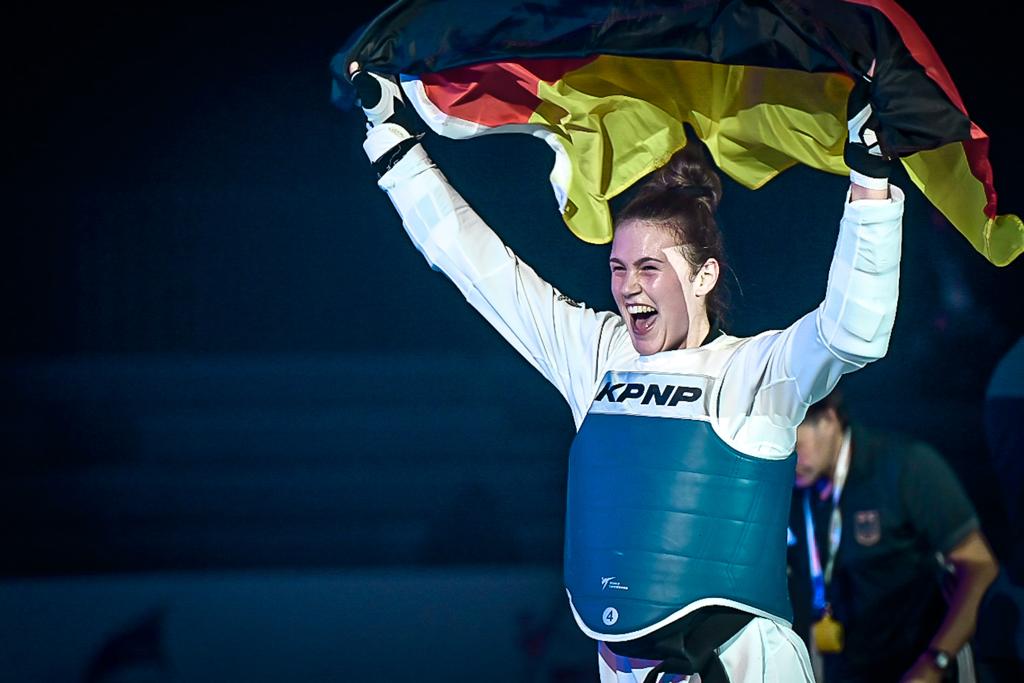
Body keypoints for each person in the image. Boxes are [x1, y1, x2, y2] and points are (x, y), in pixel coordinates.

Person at [346, 62, 903, 682]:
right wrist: (390, 138)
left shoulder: (755, 372)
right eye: (617, 268)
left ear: (703, 276)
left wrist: (871, 180)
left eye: (649, 268)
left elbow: (854, 330)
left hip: (744, 665)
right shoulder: (598, 356)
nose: (627, 287)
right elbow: (478, 268)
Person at [787, 389, 999, 683]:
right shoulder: (794, 488)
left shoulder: (906, 466)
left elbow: (980, 566)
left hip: (920, 666)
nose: (791, 458)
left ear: (829, 419)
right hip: (849, 668)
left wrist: (934, 663)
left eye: (796, 444)